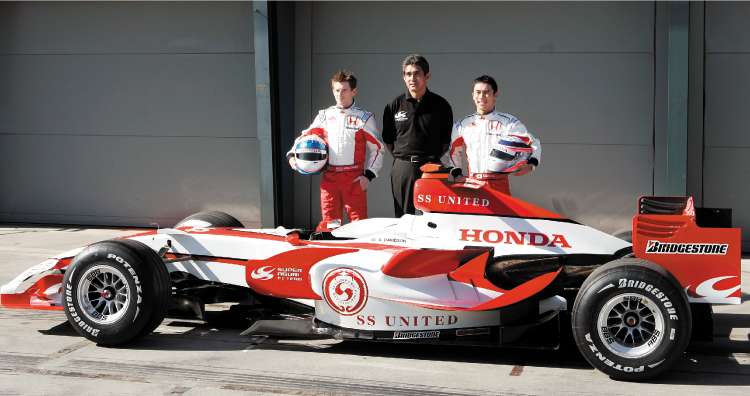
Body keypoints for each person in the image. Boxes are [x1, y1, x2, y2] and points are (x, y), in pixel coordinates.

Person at [288, 70, 384, 231]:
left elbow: (378, 149)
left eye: (344, 90)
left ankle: (359, 254)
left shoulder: (364, 117)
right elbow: (305, 136)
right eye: (337, 90)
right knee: (331, 223)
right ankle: (331, 253)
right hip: (330, 178)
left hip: (354, 179)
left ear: (354, 91)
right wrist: (292, 155)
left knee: (359, 225)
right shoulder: (324, 116)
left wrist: (369, 175)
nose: (340, 94)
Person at [382, 54, 453, 217]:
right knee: (404, 219)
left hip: (431, 168)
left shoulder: (441, 105)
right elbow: (388, 140)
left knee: (433, 218)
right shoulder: (394, 105)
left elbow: (445, 141)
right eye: (408, 74)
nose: (412, 78)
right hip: (403, 168)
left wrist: (428, 159)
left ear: (427, 76)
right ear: (403, 77)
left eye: (417, 73)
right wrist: (405, 158)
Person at [447, 75, 541, 194]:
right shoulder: (463, 124)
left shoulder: (508, 122)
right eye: (478, 92)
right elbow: (452, 150)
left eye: (486, 92)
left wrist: (531, 164)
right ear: (473, 95)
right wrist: (457, 174)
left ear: (495, 95)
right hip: (473, 182)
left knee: (504, 213)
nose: (481, 97)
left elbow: (533, 142)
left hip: (499, 182)